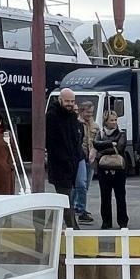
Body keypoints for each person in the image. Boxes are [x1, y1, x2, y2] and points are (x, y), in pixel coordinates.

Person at [46, 89, 84, 228]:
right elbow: (52, 143)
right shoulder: (52, 116)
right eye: (67, 101)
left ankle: (48, 229)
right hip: (59, 167)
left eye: (72, 101)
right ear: (60, 100)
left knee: (62, 201)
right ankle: (75, 231)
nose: (70, 104)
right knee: (65, 200)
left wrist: (77, 157)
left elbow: (76, 139)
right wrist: (66, 160)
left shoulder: (72, 117)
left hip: (72, 165)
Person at [93, 110, 129, 229]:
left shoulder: (121, 133)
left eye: (115, 120)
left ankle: (123, 222)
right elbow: (96, 144)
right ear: (105, 121)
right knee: (105, 196)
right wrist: (110, 143)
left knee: (120, 196)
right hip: (103, 169)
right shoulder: (100, 133)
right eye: (111, 120)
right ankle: (106, 222)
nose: (114, 122)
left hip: (119, 169)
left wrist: (102, 152)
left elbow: (119, 148)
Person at [72, 101, 98, 224]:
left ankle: (79, 207)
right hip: (79, 158)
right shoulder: (76, 124)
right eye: (88, 112)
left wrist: (94, 151)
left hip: (91, 159)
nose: (90, 114)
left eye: (91, 112)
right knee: (79, 184)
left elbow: (97, 141)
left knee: (85, 186)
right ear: (82, 111)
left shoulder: (95, 126)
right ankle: (78, 209)